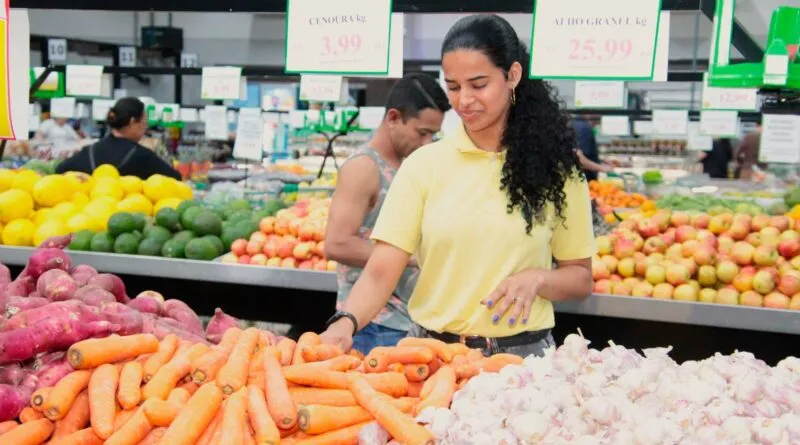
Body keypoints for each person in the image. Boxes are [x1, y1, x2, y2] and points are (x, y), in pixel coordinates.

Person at [321, 15, 595, 357]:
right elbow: (380, 270)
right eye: (453, 86)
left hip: (521, 362)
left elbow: (580, 278)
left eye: (478, 84)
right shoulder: (424, 165)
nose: (464, 100)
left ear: (512, 75)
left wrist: (539, 279)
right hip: (429, 356)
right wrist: (345, 322)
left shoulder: (557, 172)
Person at [324, 74, 450, 354]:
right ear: (393, 118)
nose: (427, 142)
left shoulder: (410, 165)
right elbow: (336, 244)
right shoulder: (364, 168)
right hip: (374, 324)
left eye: (434, 135)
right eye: (422, 132)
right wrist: (410, 255)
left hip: (409, 318)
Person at [56, 98, 181, 180]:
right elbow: (175, 179)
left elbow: (60, 170)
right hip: (127, 216)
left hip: (89, 215)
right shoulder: (142, 156)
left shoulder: (90, 151)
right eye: (144, 122)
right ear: (133, 122)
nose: (145, 128)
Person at [572, 115, 612, 180]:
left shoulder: (575, 123)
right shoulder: (584, 128)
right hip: (585, 179)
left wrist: (600, 160)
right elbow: (577, 157)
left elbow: (584, 154)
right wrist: (602, 168)